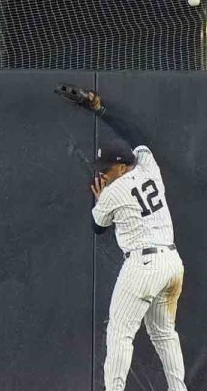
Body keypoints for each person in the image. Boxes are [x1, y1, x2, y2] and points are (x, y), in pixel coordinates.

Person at [63, 88, 187, 391]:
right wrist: (101, 110)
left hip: (143, 265)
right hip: (172, 263)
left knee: (119, 333)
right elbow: (135, 136)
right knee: (165, 334)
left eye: (107, 169)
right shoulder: (149, 166)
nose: (103, 174)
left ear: (121, 167)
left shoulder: (114, 191)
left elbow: (97, 227)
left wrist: (99, 198)